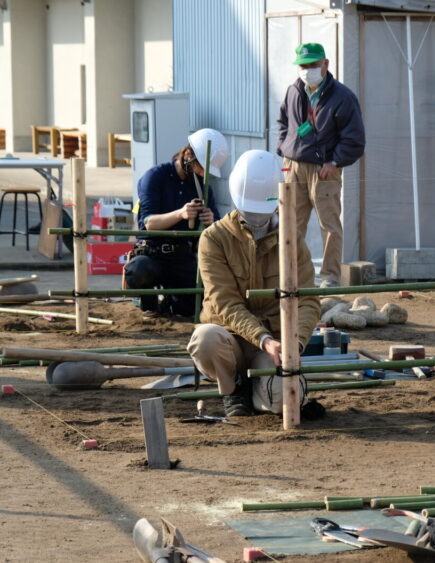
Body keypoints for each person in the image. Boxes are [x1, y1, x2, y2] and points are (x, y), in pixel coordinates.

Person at [187, 149, 321, 418]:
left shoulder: (291, 239)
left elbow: (308, 300)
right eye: (249, 209)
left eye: (261, 210)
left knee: (284, 402)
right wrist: (264, 340)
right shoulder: (214, 238)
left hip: (275, 344)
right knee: (205, 339)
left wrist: (295, 344)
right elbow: (224, 302)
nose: (256, 217)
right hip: (231, 341)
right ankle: (233, 388)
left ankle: (262, 390)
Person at [276, 42, 365, 288]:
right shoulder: (293, 91)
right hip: (293, 166)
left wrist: (335, 161)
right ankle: (292, 274)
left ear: (326, 64)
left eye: (313, 65)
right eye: (303, 66)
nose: (307, 70)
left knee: (329, 225)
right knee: (291, 223)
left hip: (324, 169)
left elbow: (355, 139)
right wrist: (283, 148)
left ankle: (330, 277)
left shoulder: (343, 97)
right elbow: (283, 121)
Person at [125, 128, 228, 316]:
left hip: (182, 257)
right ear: (188, 155)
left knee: (195, 303)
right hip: (152, 253)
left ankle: (170, 306)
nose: (202, 173)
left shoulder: (203, 187)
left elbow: (219, 226)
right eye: (200, 167)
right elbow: (148, 223)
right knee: (139, 271)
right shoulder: (155, 176)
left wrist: (211, 221)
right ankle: (149, 307)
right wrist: (180, 214)